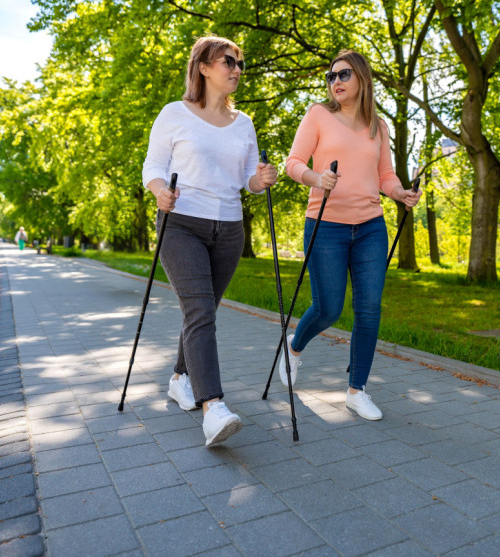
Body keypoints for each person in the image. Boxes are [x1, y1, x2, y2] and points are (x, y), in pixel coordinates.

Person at [142, 35, 277, 447]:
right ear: (203, 67)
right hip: (181, 224)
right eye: (227, 61)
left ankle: (179, 378)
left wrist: (262, 180)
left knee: (202, 312)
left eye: (239, 63)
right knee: (200, 311)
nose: (236, 69)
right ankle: (213, 408)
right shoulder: (174, 113)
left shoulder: (244, 123)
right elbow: (152, 167)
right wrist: (160, 192)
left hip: (229, 229)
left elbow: (248, 180)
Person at [281, 50, 421, 421]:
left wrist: (400, 193)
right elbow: (293, 163)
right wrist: (317, 178)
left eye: (343, 74)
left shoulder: (379, 127)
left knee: (369, 308)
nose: (336, 82)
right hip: (325, 224)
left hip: (371, 227)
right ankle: (293, 347)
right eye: (331, 77)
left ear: (362, 77)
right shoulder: (318, 114)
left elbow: (385, 175)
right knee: (328, 308)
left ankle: (357, 390)